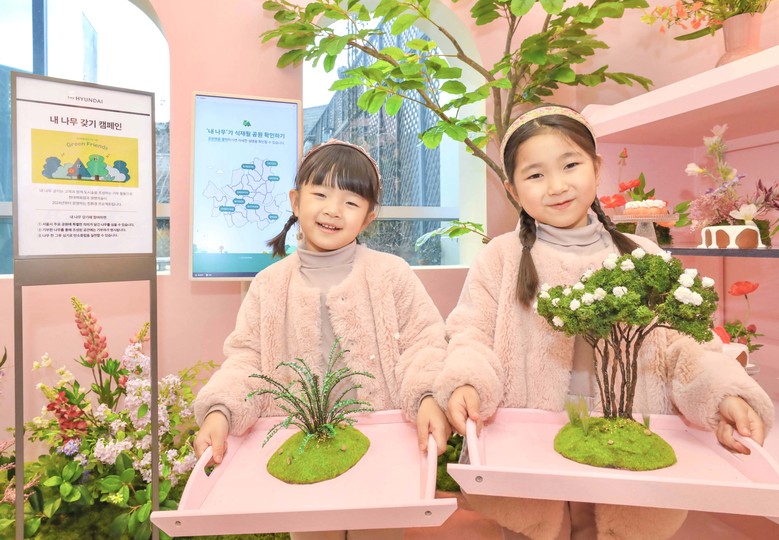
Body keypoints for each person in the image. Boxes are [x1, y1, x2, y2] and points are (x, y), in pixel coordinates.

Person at [433, 105, 775, 540]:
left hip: (627, 447)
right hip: (527, 451)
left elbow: (686, 347)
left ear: (596, 168)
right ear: (512, 189)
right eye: (535, 175)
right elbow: (471, 335)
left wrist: (723, 394)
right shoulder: (499, 258)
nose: (557, 186)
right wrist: (467, 382)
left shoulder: (642, 256)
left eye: (570, 165)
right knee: (535, 529)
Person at [193, 140, 451, 540]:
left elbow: (425, 344)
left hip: (384, 444)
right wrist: (220, 411)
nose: (333, 210)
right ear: (296, 201)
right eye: (320, 195)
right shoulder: (269, 284)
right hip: (301, 449)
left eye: (351, 201)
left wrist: (428, 396)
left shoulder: (391, 274)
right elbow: (247, 360)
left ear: (368, 218)